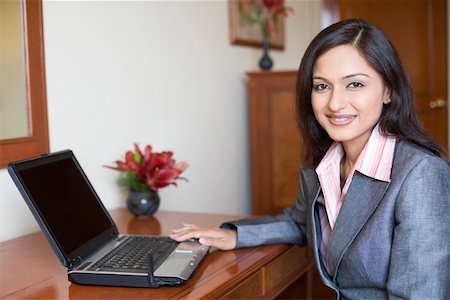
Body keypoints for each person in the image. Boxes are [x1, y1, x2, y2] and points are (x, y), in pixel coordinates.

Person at [170, 19, 450, 299]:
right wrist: (234, 235)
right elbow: (302, 222)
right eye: (322, 86)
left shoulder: (420, 174)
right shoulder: (322, 162)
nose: (335, 103)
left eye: (354, 84)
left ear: (388, 90)